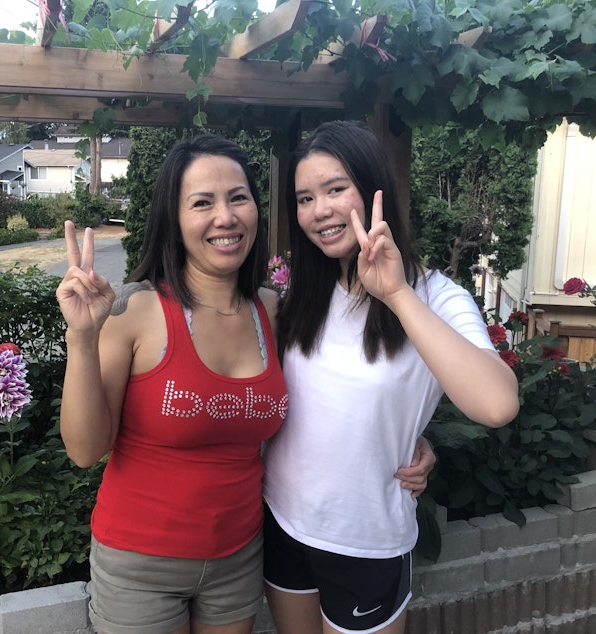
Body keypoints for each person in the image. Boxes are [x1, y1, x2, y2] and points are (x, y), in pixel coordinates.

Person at [56, 132, 435, 634]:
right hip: (140, 562)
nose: (225, 217)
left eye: (238, 198)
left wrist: (411, 437)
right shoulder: (138, 310)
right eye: (202, 203)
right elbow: (85, 450)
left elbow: (335, 393)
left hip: (237, 558)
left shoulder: (274, 311)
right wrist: (82, 338)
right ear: (175, 218)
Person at [262, 120, 520, 634]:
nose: (320, 211)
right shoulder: (302, 297)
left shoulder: (435, 297)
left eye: (336, 189)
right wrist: (404, 430)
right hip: (283, 518)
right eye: (305, 197)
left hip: (366, 537)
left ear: (373, 187)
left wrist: (397, 295)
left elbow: (497, 405)